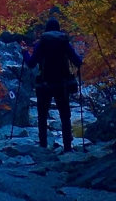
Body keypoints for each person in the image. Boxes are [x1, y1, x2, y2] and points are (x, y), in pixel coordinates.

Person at [22, 18, 83, 152]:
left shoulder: (42, 43)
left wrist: (25, 52)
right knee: (65, 115)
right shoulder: (64, 43)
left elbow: (31, 63)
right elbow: (78, 62)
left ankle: (43, 145)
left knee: (42, 115)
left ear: (46, 29)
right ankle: (67, 147)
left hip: (44, 85)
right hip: (63, 85)